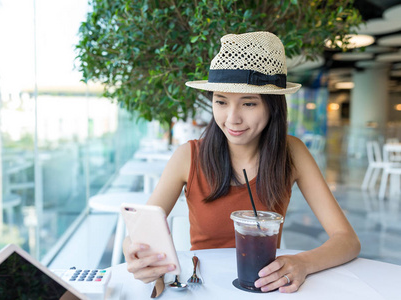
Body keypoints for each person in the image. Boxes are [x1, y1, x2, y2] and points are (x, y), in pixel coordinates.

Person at [122, 31, 360, 293]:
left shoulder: (292, 153)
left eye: (248, 103)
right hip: (201, 286)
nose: (232, 118)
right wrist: (135, 254)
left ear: (273, 107)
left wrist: (302, 262)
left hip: (263, 287)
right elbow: (139, 234)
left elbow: (347, 240)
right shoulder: (188, 156)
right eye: (221, 102)